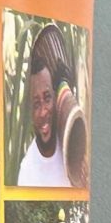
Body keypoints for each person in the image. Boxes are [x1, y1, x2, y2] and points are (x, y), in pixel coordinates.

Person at [16, 24, 70, 187]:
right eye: (36, 104)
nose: (43, 112)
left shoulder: (70, 146)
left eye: (47, 99)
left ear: (56, 97)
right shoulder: (27, 171)